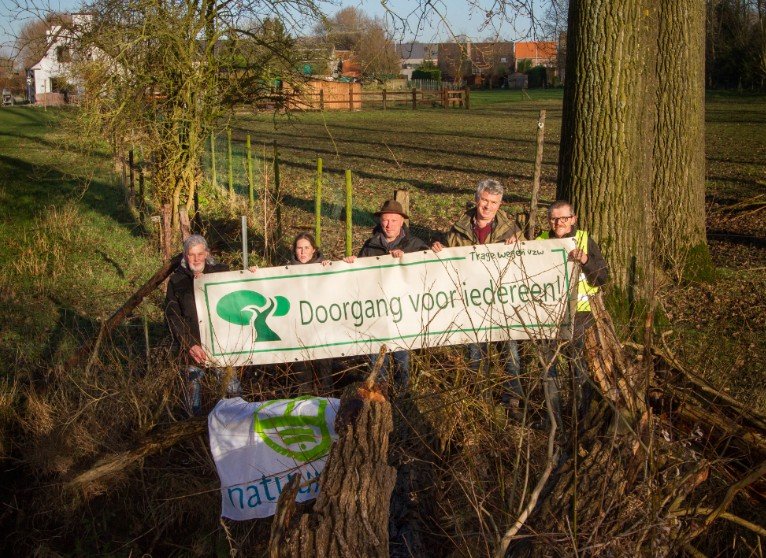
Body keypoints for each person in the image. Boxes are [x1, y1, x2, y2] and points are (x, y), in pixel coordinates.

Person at [431, 179, 525, 413]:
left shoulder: (512, 230)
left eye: (493, 202)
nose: (488, 206)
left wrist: (518, 247)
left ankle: (512, 403)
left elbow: (525, 264)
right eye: (484, 200)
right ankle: (480, 403)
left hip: (503, 305)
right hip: (471, 307)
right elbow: (446, 265)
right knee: (475, 355)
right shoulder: (458, 230)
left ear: (500, 204)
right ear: (476, 199)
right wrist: (439, 251)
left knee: (509, 354)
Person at [536, 200, 609, 428]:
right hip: (547, 315)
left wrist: (585, 260)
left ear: (573, 218)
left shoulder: (585, 241)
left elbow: (603, 276)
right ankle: (554, 420)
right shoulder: (539, 242)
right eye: (554, 219)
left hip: (580, 314)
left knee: (578, 367)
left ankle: (581, 418)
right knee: (549, 368)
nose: (558, 223)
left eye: (563, 218)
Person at [346, 200, 429, 389]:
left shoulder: (414, 245)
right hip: (376, 312)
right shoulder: (370, 245)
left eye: (393, 220)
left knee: (402, 360)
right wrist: (351, 263)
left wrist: (406, 259)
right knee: (377, 361)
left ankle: (402, 397)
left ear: (402, 222)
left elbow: (429, 266)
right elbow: (359, 276)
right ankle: (380, 397)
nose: (388, 224)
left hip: (403, 313)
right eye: (385, 220)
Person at [165, 234, 239, 414]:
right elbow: (172, 316)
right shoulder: (177, 281)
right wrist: (190, 344)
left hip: (222, 347)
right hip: (193, 350)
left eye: (200, 254)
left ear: (207, 253)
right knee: (193, 402)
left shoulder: (222, 273)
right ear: (185, 256)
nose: (196, 258)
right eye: (191, 254)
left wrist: (253, 273)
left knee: (233, 396)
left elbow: (241, 294)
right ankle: (195, 436)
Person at [286, 232, 332, 393]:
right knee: (302, 376)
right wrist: (254, 272)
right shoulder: (285, 271)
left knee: (324, 373)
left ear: (314, 250)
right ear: (294, 250)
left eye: (307, 248)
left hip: (322, 329)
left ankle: (328, 407)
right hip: (298, 330)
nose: (303, 252)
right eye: (299, 248)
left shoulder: (325, 267)